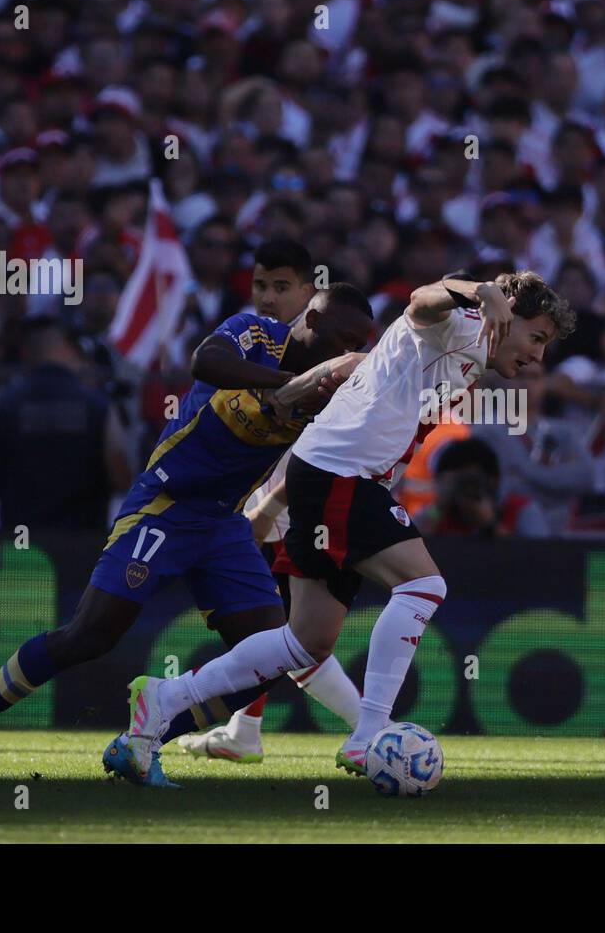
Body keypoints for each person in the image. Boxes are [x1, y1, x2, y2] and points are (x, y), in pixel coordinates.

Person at [118, 270, 574, 781]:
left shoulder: (468, 349)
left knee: (305, 642)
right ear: (507, 316)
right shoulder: (463, 323)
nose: (538, 356)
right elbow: (423, 297)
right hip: (342, 475)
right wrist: (484, 293)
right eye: (535, 338)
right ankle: (367, 735)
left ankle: (165, 697)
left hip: (331, 473)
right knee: (424, 585)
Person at [0, 284, 374, 785]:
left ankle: (143, 739)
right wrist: (287, 382)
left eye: (358, 342)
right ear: (309, 319)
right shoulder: (256, 333)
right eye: (341, 336)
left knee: (266, 656)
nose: (347, 350)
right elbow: (205, 361)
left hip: (223, 525)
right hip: (166, 505)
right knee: (90, 634)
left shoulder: (331, 397)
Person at [176, 239, 363, 764]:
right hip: (262, 504)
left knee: (287, 641)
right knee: (274, 636)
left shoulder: (324, 361)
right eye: (261, 285)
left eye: (282, 287)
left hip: (291, 513)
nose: (267, 297)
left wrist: (269, 510)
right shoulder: (254, 343)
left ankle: (374, 727)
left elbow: (317, 452)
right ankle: (246, 728)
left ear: (310, 294)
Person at [0, 316, 132, 530]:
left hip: (21, 544)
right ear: (67, 349)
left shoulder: (0, 403)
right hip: (82, 539)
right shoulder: (98, 404)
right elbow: (120, 471)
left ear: (27, 352)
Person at [414, 437, 550, 537]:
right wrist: (438, 507)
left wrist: (490, 525)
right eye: (460, 480)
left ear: (493, 480)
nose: (467, 486)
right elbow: (412, 546)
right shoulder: (438, 514)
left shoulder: (520, 510)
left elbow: (535, 558)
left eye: (473, 480)